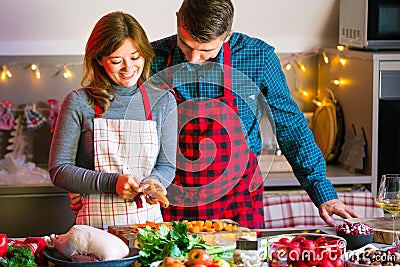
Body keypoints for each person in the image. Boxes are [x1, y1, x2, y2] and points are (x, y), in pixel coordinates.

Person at [69, 1, 360, 229]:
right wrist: (85, 181)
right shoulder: (152, 58)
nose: (193, 58)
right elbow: (115, 120)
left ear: (228, 36)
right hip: (169, 196)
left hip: (238, 199)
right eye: (186, 46)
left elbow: (291, 127)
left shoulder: (258, 58)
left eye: (205, 50)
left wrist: (324, 192)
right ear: (178, 20)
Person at [48, 11, 178, 230]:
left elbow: (166, 166)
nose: (128, 68)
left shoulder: (163, 101)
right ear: (99, 59)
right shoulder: (79, 102)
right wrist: (112, 183)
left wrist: (153, 184)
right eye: (117, 61)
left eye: (135, 57)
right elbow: (59, 169)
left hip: (148, 225)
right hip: (96, 228)